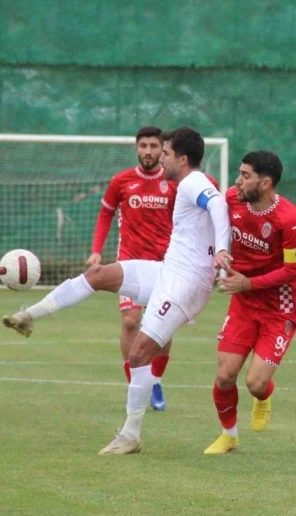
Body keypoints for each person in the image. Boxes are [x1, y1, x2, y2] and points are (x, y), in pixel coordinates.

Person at [2, 126, 230, 454]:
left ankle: (131, 434)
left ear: (182, 158)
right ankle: (30, 315)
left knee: (138, 353)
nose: (160, 156)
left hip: (185, 285)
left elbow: (219, 207)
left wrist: (222, 250)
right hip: (167, 272)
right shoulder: (182, 183)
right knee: (98, 274)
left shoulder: (193, 181)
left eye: (165, 151)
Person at [87, 126, 220, 411]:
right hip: (130, 261)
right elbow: (105, 214)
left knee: (162, 327)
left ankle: (156, 381)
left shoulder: (177, 181)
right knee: (130, 322)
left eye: (154, 146)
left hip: (167, 265)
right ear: (137, 148)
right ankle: (135, 384)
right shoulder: (121, 181)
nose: (148, 151)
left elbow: (207, 192)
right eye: (143, 145)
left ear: (164, 150)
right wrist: (96, 251)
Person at [207, 151, 296, 454]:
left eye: (245, 175)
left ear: (265, 183)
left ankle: (263, 397)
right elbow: (210, 222)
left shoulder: (291, 221)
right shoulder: (231, 199)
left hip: (280, 308)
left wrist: (247, 283)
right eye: (239, 173)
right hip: (243, 303)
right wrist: (219, 250)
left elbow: (293, 271)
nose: (238, 181)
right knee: (225, 375)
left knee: (254, 383)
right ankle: (229, 435)